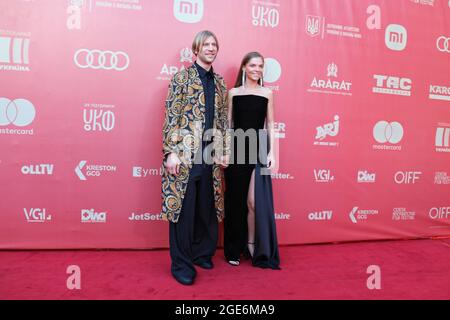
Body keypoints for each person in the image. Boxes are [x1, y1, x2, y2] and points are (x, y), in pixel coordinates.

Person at [161, 30, 228, 285]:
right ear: (195, 50)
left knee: (206, 209)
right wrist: (170, 153)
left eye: (214, 44)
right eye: (206, 45)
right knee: (183, 212)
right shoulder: (182, 78)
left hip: (210, 157)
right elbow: (171, 116)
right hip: (185, 156)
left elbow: (222, 120)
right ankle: (181, 264)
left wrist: (224, 151)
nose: (211, 48)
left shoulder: (220, 82)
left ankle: (201, 253)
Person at [224, 51, 280, 269]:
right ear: (244, 67)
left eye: (260, 66)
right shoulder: (234, 93)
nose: (257, 70)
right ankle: (233, 250)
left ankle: (251, 243)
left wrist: (272, 152)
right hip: (237, 148)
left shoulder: (267, 93)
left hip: (258, 148)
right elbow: (228, 124)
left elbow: (271, 124)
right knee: (235, 202)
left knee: (253, 203)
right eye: (253, 65)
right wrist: (225, 151)